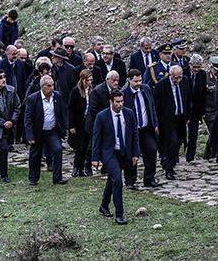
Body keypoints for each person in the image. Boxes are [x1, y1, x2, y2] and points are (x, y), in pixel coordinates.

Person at [92, 90, 139, 225]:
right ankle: (119, 214)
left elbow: (134, 134)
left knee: (112, 180)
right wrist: (95, 158)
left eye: (121, 101)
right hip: (109, 153)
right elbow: (96, 138)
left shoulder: (129, 113)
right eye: (117, 102)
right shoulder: (102, 116)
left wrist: (135, 153)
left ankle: (104, 205)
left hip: (124, 152)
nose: (120, 104)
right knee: (117, 179)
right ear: (111, 102)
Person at [24, 75, 68, 186]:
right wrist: (30, 136)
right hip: (38, 130)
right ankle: (33, 178)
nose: (52, 88)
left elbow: (62, 113)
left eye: (53, 85)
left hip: (52, 130)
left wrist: (63, 128)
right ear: (42, 87)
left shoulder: (57, 96)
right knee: (35, 155)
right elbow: (28, 118)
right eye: (49, 86)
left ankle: (57, 177)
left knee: (58, 150)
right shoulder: (33, 99)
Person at [121, 68, 159, 188]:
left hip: (146, 128)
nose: (138, 83)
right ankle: (130, 181)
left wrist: (155, 123)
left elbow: (151, 107)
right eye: (135, 81)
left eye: (140, 81)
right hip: (132, 130)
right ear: (129, 80)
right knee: (131, 155)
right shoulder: (124, 93)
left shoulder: (146, 89)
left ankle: (149, 178)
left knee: (151, 151)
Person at [154, 64, 189, 180]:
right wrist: (156, 123)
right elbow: (157, 106)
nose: (178, 80)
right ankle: (169, 168)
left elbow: (187, 99)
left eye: (180, 77)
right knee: (172, 142)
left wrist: (187, 115)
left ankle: (169, 162)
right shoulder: (161, 85)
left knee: (179, 142)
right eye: (175, 78)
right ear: (170, 75)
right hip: (167, 119)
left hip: (180, 118)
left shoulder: (184, 82)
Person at [68, 68, 94, 177]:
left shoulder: (92, 90)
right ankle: (77, 167)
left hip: (88, 122)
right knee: (80, 147)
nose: (90, 82)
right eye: (88, 80)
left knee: (87, 146)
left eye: (91, 80)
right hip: (78, 122)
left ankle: (84, 166)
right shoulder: (76, 91)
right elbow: (71, 108)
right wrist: (71, 125)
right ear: (83, 80)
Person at [185, 54, 208, 162]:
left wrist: (202, 111)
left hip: (195, 109)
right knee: (180, 134)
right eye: (194, 67)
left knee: (193, 134)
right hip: (183, 109)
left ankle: (190, 156)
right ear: (190, 65)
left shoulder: (202, 75)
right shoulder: (183, 73)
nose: (196, 69)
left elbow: (203, 93)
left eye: (199, 67)